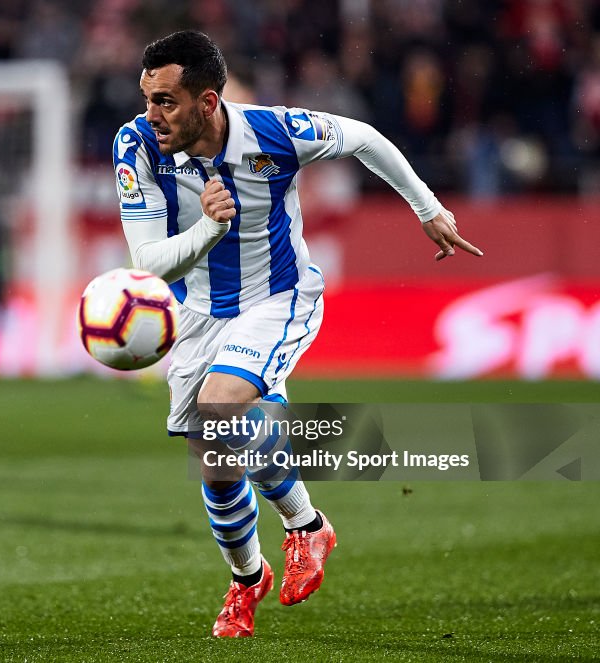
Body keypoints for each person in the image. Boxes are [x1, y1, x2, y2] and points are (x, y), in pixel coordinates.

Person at [113, 31, 481, 638]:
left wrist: (427, 209)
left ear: (207, 101)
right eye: (147, 99)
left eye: (166, 102)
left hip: (277, 297)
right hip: (198, 311)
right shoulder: (137, 145)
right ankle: (246, 579)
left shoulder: (275, 133)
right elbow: (148, 264)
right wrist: (208, 228)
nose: (151, 115)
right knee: (215, 459)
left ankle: (308, 527)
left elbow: (364, 138)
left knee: (220, 408)